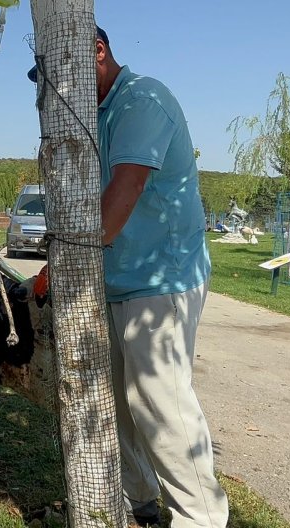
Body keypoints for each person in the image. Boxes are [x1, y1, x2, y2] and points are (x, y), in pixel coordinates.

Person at [32, 27, 228, 527]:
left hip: (163, 279)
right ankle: (140, 504)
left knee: (161, 405)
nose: (58, 91)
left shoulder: (143, 100)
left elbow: (121, 198)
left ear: (98, 52)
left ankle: (201, 517)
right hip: (118, 280)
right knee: (118, 405)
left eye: (62, 76)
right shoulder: (90, 116)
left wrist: (59, 265)